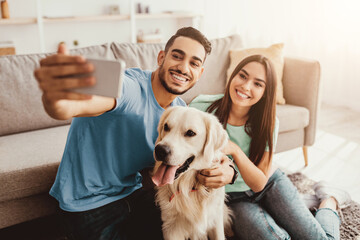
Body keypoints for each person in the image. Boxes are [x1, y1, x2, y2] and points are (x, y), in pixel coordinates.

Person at [34, 27, 236, 240]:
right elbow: (71, 107)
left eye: (194, 63)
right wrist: (56, 100)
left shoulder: (177, 112)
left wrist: (230, 171)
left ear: (200, 73)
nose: (184, 67)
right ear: (161, 57)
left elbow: (204, 151)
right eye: (177, 56)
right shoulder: (130, 88)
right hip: (88, 205)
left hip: (133, 195)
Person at [190, 54, 351, 240]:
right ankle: (303, 203)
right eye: (242, 76)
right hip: (234, 199)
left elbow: (259, 183)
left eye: (258, 84)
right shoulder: (201, 108)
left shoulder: (269, 122)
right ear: (232, 75)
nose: (246, 86)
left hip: (270, 184)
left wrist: (234, 149)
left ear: (266, 92)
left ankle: (329, 200)